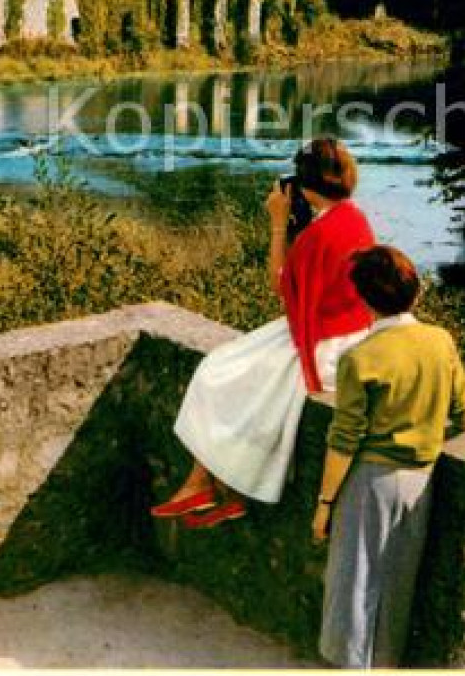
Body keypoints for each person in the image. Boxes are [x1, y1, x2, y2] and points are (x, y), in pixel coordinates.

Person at [152, 137, 376, 527]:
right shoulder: (354, 219)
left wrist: (277, 224)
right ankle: (205, 482)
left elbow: (280, 285)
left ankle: (213, 485)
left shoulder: (317, 235)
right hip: (344, 331)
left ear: (304, 187)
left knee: (219, 371)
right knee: (231, 371)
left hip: (323, 341)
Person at [315, 245, 465, 668]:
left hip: (372, 479)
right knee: (397, 585)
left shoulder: (359, 358)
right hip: (421, 480)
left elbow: (344, 439)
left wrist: (324, 505)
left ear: (364, 300)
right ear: (417, 292)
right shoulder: (440, 341)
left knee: (354, 585)